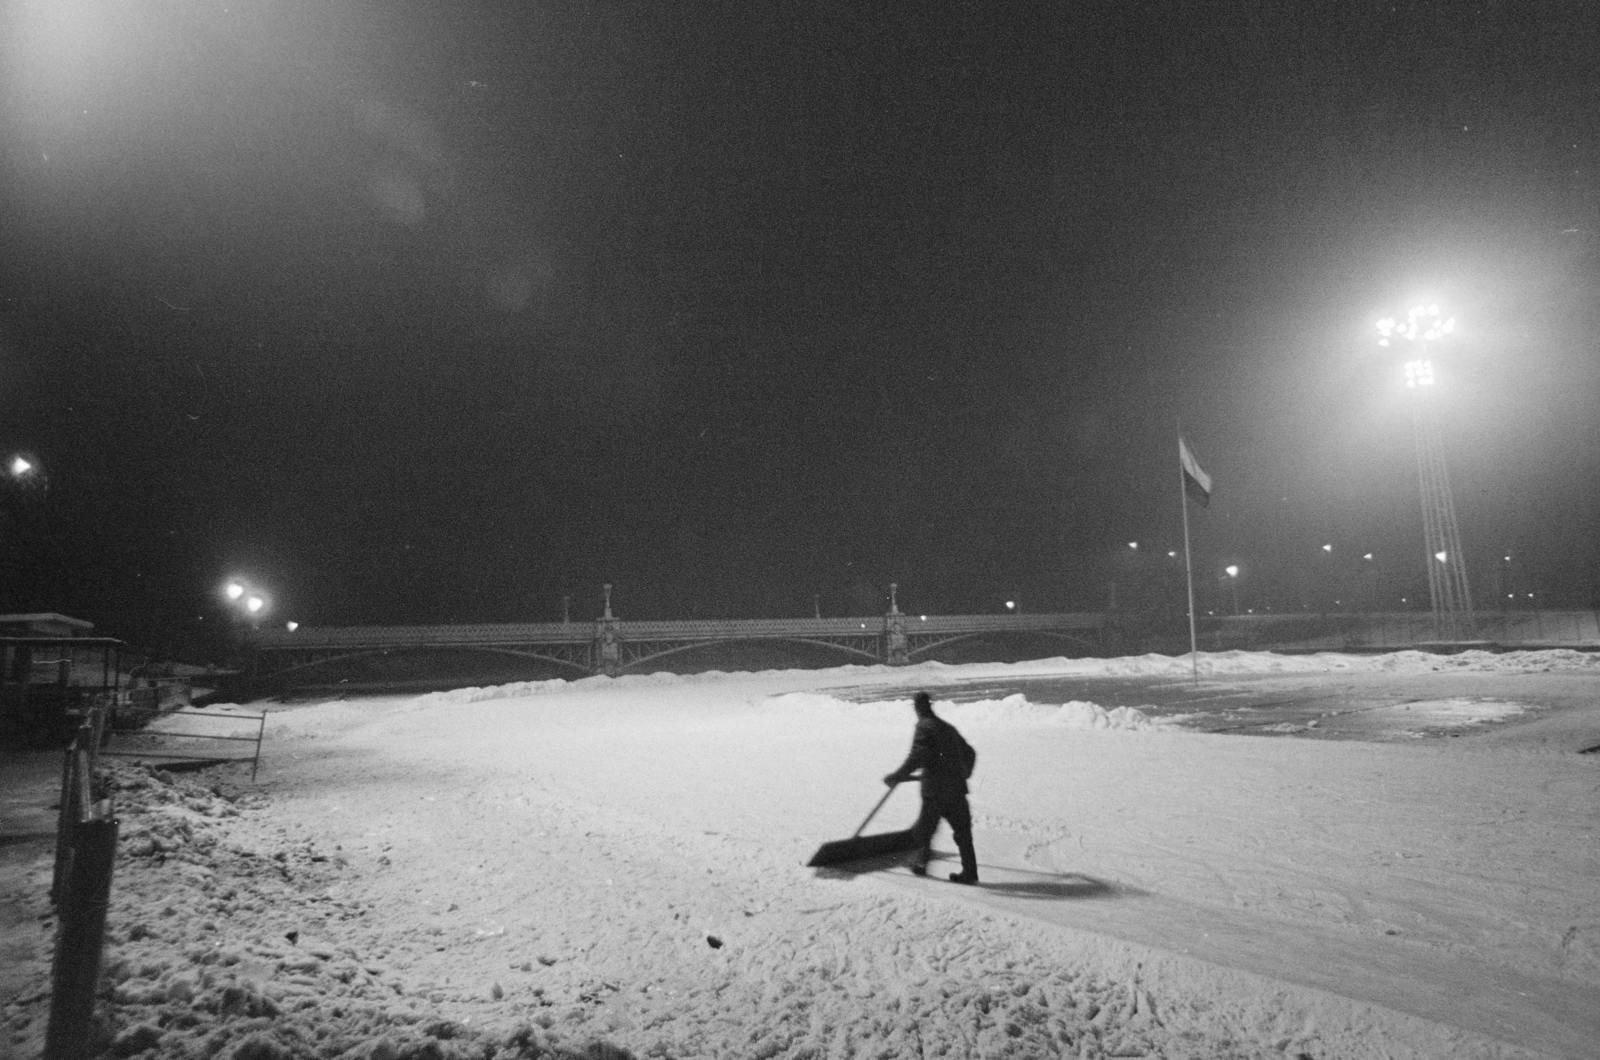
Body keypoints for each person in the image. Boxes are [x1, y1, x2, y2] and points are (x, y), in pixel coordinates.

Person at [883, 691, 979, 884]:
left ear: (918, 708)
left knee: (925, 829)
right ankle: (970, 872)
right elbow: (970, 752)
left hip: (935, 791)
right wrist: (963, 774)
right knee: (962, 833)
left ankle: (922, 865)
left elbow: (917, 755)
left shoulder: (924, 726)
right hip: (957, 789)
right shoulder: (947, 727)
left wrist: (897, 775)